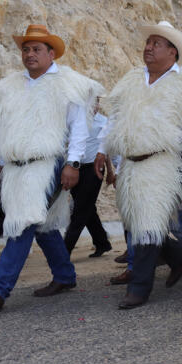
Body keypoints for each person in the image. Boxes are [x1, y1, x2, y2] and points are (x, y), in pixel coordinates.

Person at [0, 24, 102, 312]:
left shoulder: (70, 84)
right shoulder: (9, 87)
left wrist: (73, 164)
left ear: (51, 54)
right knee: (43, 226)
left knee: (23, 222)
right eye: (26, 49)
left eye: (37, 49)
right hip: (15, 168)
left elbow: (79, 129)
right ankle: (65, 276)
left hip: (47, 163)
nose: (30, 54)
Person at [94, 21, 182, 309]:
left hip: (163, 162)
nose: (148, 47)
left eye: (156, 43)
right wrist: (101, 151)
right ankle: (177, 253)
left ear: (172, 52)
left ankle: (140, 287)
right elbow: (114, 120)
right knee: (136, 222)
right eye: (148, 42)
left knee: (147, 225)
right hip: (131, 164)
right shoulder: (131, 80)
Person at [63, 100, 112, 258]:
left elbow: (108, 150)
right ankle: (102, 242)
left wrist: (111, 172)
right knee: (87, 208)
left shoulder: (104, 122)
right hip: (76, 169)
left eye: (96, 101)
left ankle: (64, 250)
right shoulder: (75, 120)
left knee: (80, 210)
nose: (94, 105)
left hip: (94, 169)